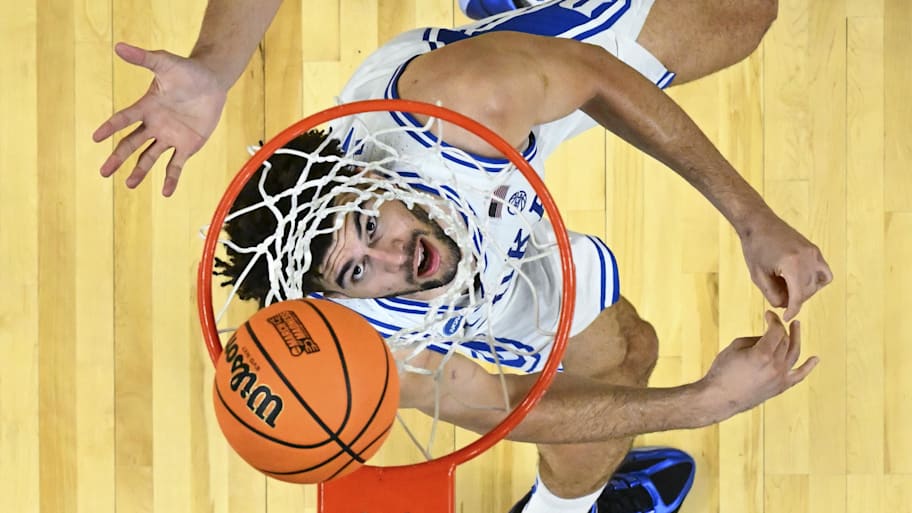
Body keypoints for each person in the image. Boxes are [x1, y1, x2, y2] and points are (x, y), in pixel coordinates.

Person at [93, 1, 834, 512]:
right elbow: (510, 407)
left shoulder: (464, 103)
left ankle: (505, 11)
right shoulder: (378, 349)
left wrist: (751, 218)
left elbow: (595, 76)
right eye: (356, 271)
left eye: (364, 222)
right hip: (478, 286)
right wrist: (702, 405)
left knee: (737, 16)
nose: (391, 255)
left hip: (477, 157)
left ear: (364, 178)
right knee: (628, 352)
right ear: (340, 300)